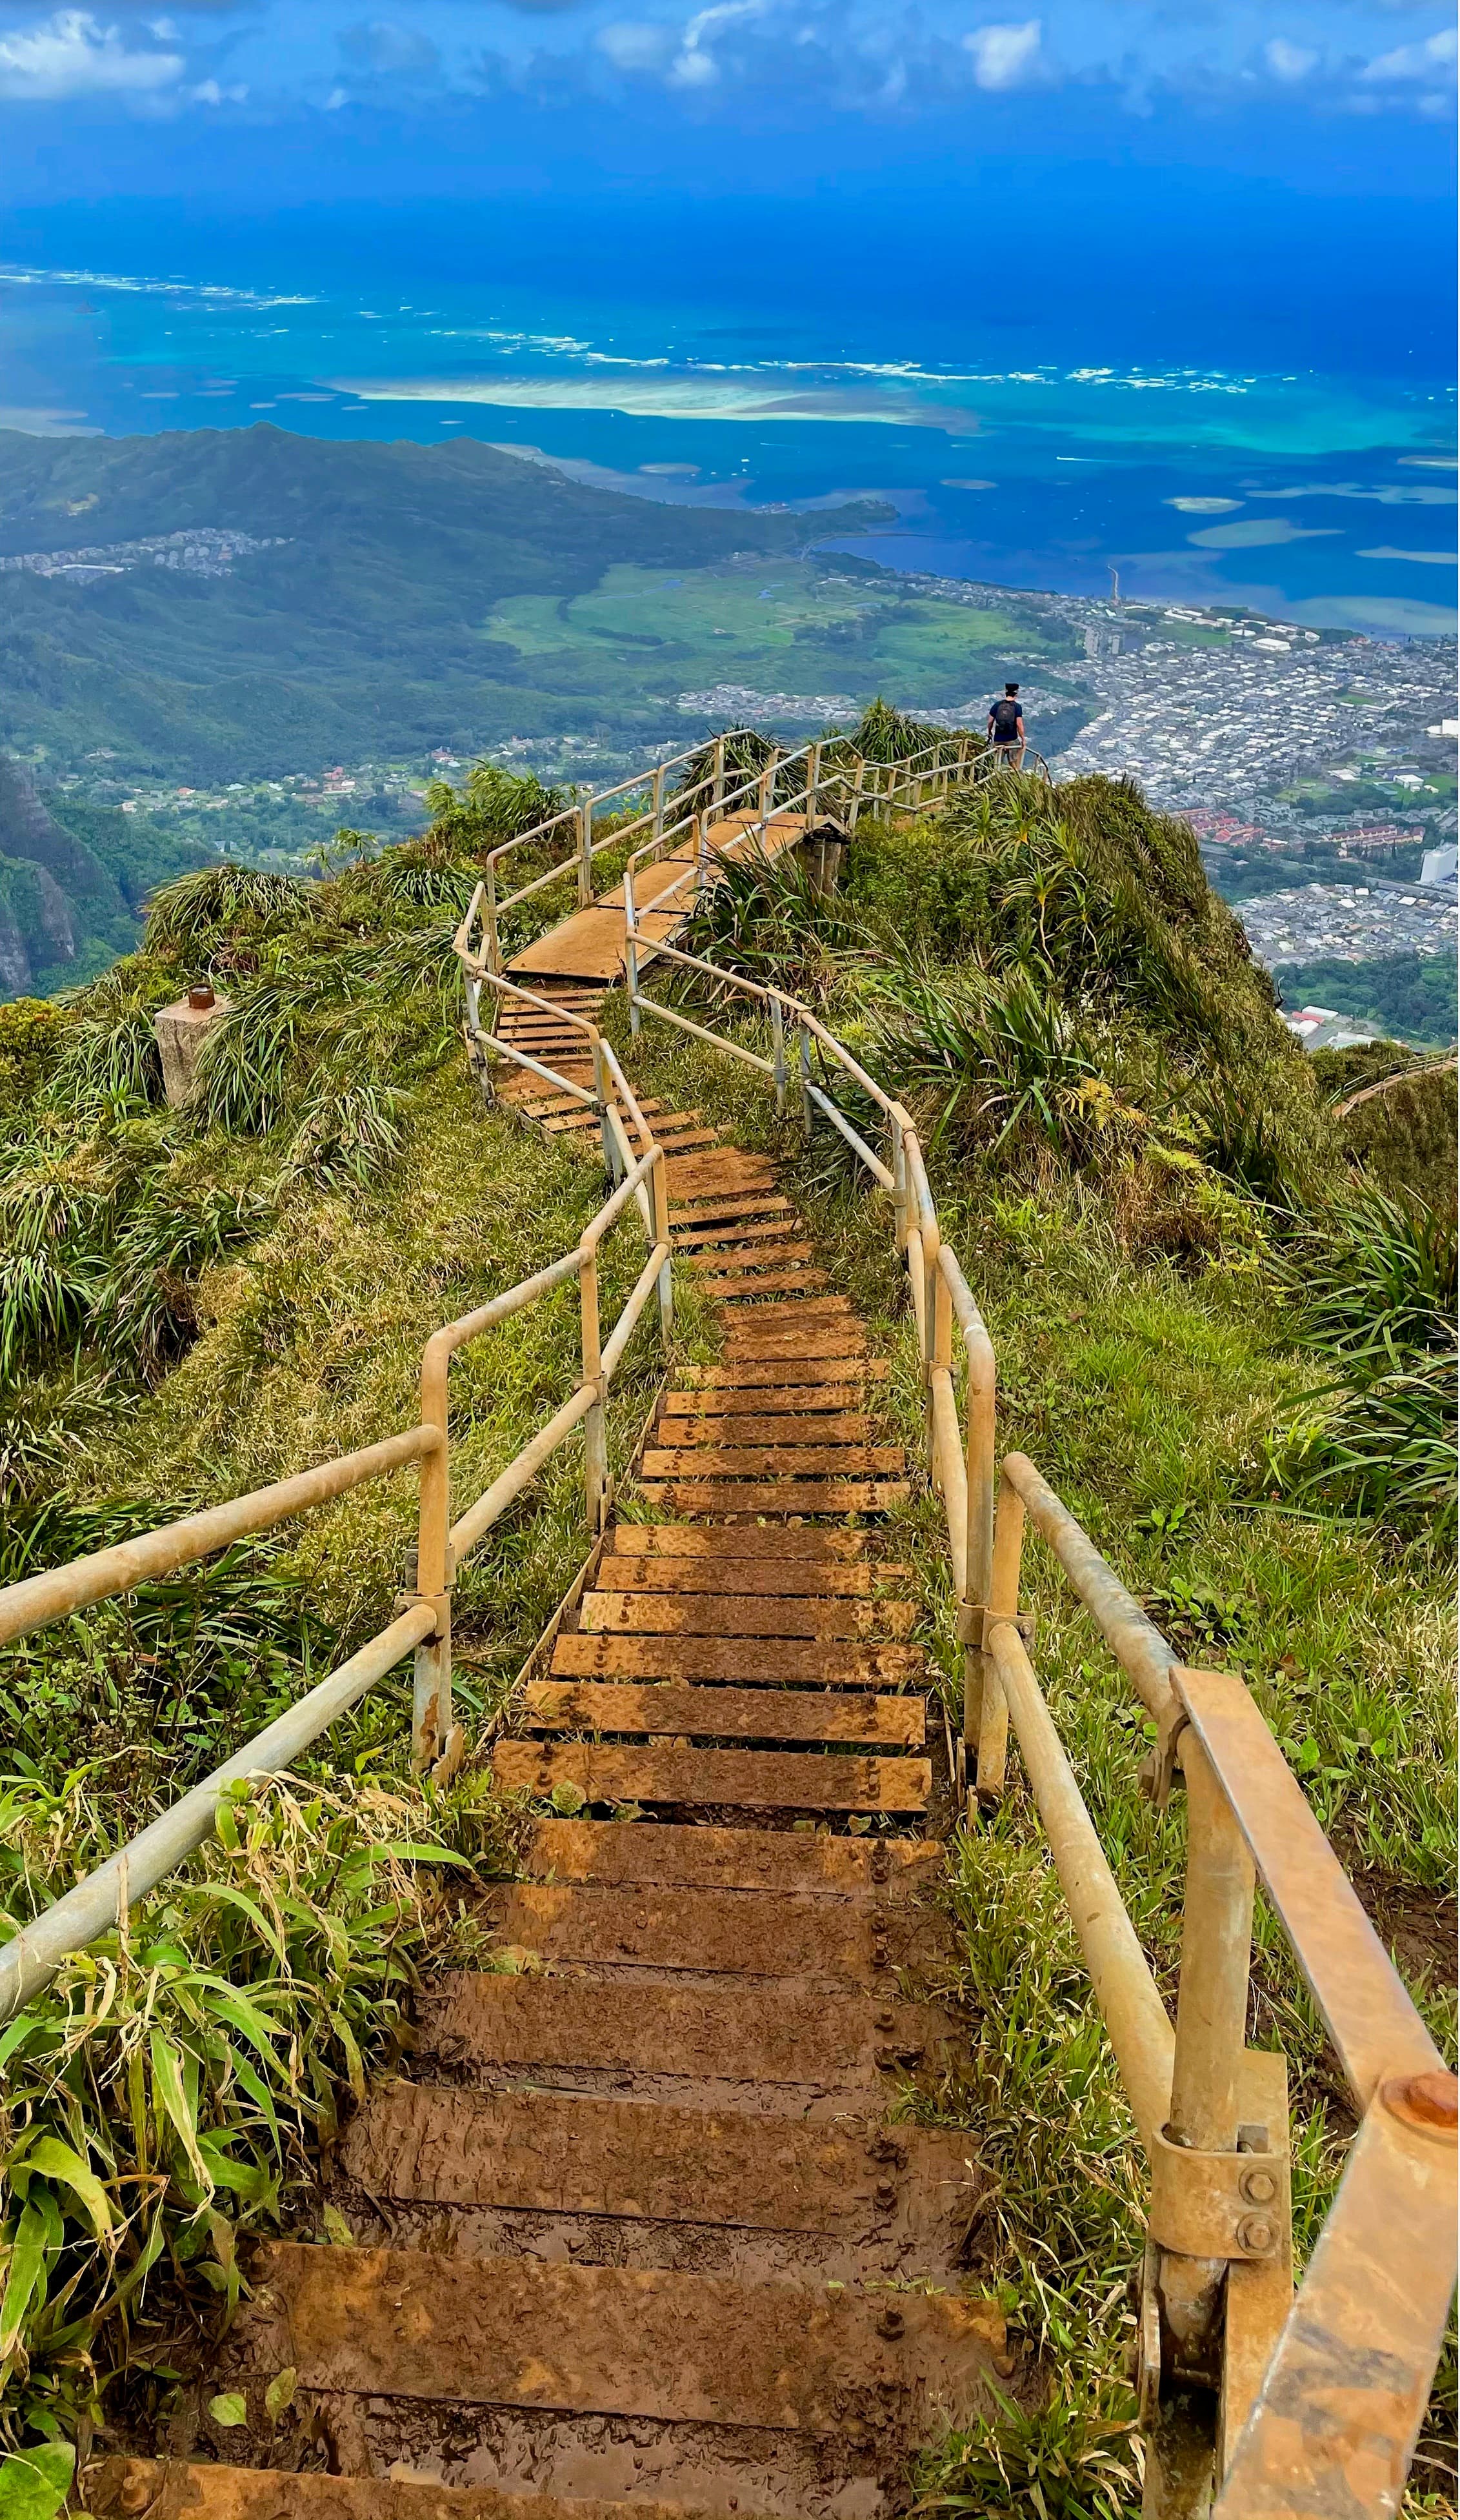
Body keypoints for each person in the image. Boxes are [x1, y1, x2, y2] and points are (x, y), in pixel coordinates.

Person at [986, 683, 1026, 770]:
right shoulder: (1017, 707)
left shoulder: (997, 705)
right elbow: (1019, 725)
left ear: (1006, 693)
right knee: (1017, 753)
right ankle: (1017, 773)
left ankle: (996, 775)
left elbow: (990, 722)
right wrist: (1023, 738)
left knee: (997, 762)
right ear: (1016, 694)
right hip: (1011, 739)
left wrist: (989, 733)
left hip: (998, 739)